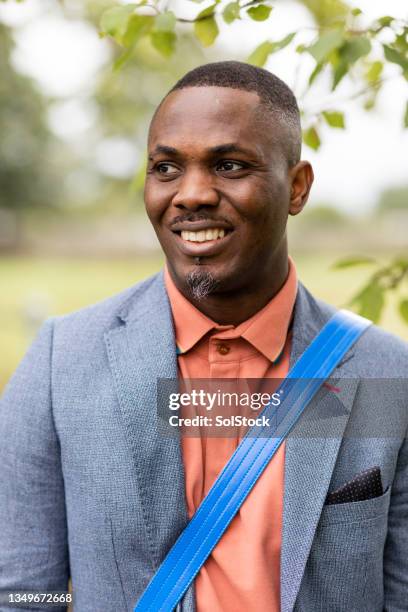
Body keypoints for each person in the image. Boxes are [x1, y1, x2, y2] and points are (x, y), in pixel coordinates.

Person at [1, 61, 407, 612]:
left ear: (297, 187)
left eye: (230, 165)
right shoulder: (61, 364)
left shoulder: (384, 374)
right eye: (166, 168)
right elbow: (23, 591)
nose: (191, 194)